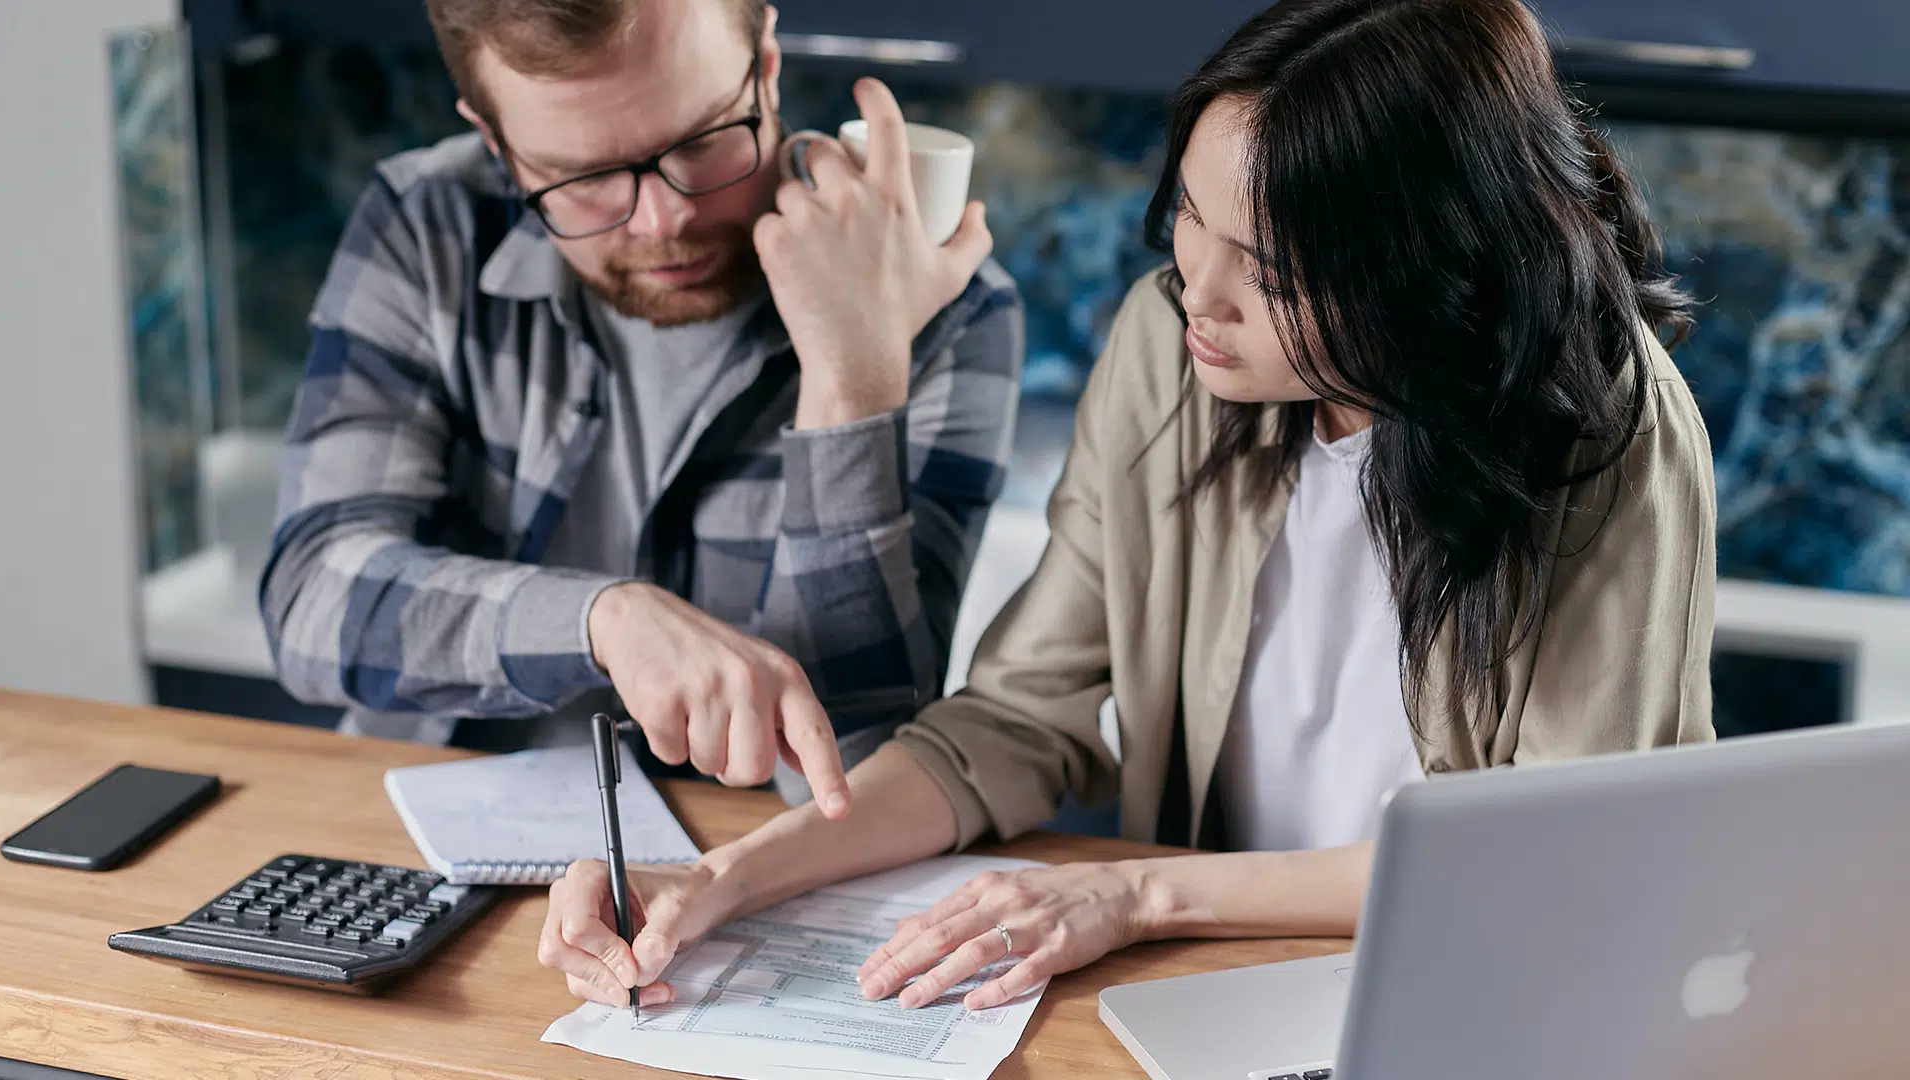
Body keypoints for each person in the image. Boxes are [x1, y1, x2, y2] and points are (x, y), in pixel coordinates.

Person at [536, 0, 1718, 1013]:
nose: (1195, 289)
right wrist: (724, 876)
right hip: (1206, 985)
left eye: (1274, 271)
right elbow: (1012, 722)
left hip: (1469, 992)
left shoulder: (1610, 432)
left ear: (1428, 272)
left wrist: (1137, 892)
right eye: (1192, 213)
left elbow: (1554, 861)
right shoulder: (1171, 349)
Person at [259, 0, 1025, 813]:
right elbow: (312, 600)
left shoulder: (942, 304)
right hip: (428, 835)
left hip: (751, 872)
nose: (668, 219)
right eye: (583, 178)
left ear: (765, 64)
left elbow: (856, 772)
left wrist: (851, 381)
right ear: (496, 143)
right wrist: (603, 623)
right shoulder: (429, 225)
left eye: (701, 142)